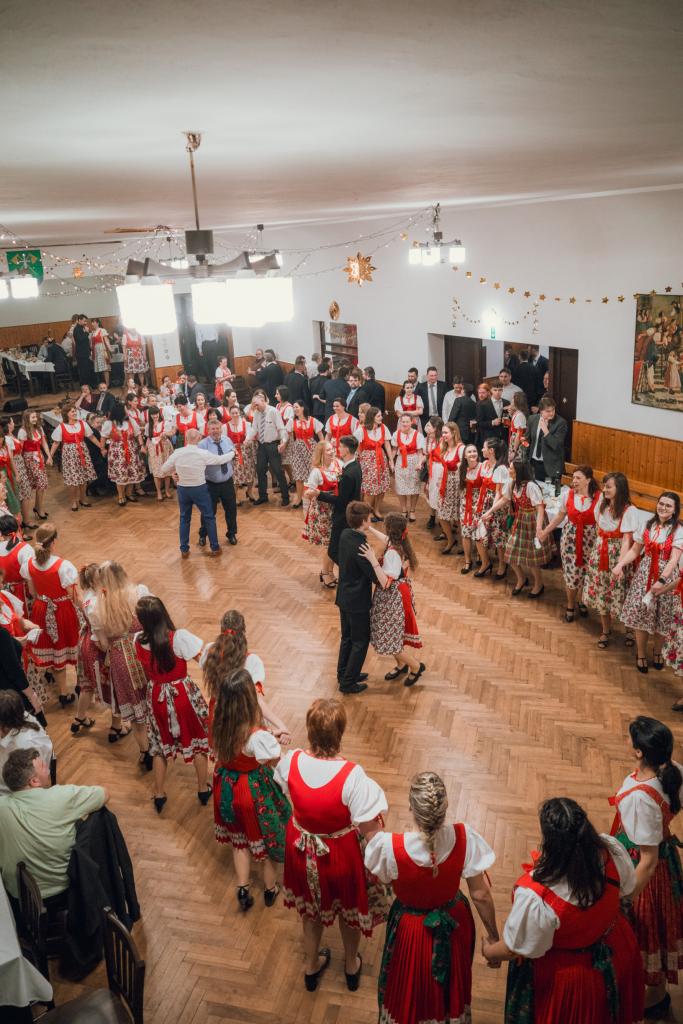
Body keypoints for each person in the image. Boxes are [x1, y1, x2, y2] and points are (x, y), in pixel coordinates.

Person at [482, 796, 643, 1024]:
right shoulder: (610, 851)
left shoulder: (539, 895)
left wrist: (488, 951)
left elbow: (517, 948)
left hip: (571, 979)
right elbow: (626, 888)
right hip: (615, 950)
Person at [275, 698, 388, 990]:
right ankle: (351, 966)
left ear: (310, 730)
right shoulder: (352, 775)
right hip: (339, 854)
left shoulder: (291, 761)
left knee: (310, 912)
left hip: (301, 850)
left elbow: (285, 788)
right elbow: (369, 828)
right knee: (349, 913)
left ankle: (311, 967)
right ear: (340, 732)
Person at [367, 771, 498, 1024]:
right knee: (451, 984)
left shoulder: (389, 847)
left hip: (411, 928)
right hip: (454, 922)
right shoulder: (464, 836)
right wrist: (493, 937)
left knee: (410, 985)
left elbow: (385, 880)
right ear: (445, 808)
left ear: (411, 808)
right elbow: (481, 895)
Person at [609, 716, 683, 1020]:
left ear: (639, 752)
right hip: (665, 862)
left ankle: (652, 998)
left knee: (645, 928)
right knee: (660, 928)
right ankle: (656, 993)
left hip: (642, 869)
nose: (627, 740)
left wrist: (624, 898)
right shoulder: (673, 770)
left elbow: (648, 860)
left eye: (630, 738)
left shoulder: (640, 798)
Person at [210, 667, 291, 911]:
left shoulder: (219, 723)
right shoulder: (256, 736)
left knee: (240, 841)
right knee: (265, 842)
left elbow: (244, 743)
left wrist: (271, 734)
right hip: (252, 789)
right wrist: (278, 741)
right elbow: (276, 761)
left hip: (227, 786)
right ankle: (270, 889)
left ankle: (243, 887)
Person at [0, 747, 108, 911]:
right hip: (62, 894)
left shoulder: (2, 807)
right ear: (34, 781)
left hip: (17, 899)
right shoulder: (61, 796)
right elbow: (104, 794)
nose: (49, 769)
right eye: (44, 766)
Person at [133, 595, 210, 812]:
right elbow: (203, 660)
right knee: (197, 740)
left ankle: (159, 793)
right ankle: (203, 788)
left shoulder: (138, 640)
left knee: (159, 747)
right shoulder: (178, 637)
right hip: (182, 695)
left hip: (156, 695)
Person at [86, 562, 152, 766]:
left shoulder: (97, 606)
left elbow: (103, 644)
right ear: (123, 573)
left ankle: (146, 752)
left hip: (119, 658)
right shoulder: (139, 593)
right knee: (151, 697)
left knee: (134, 708)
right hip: (144, 650)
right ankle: (160, 741)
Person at [615, 492, 683, 673]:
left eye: (668, 505)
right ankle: (641, 654)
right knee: (642, 615)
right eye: (661, 503)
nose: (663, 508)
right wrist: (620, 564)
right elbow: (635, 550)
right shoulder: (647, 524)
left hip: (665, 577)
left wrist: (661, 580)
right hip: (644, 575)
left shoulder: (678, 530)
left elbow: (673, 560)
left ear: (675, 510)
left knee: (663, 617)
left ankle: (658, 652)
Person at [201, 608, 291, 742]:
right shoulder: (252, 662)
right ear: (243, 632)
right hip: (242, 717)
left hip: (218, 712)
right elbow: (256, 700)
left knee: (223, 748)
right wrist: (281, 725)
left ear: (221, 630)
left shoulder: (210, 651)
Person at [21, 523, 79, 704]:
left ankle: (60, 688)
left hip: (41, 609)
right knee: (66, 647)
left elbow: (32, 592)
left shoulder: (29, 564)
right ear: (53, 542)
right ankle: (72, 689)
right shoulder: (63, 566)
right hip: (61, 610)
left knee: (52, 649)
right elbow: (73, 595)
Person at [367, 513, 425, 685]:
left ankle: (415, 666)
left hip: (393, 596)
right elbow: (384, 538)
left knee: (389, 637)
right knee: (393, 633)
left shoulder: (392, 553)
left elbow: (386, 582)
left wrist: (372, 559)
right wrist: (369, 528)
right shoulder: (398, 544)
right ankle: (401, 665)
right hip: (397, 593)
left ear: (390, 530)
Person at [583, 472, 638, 650]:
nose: (604, 489)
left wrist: (620, 565)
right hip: (600, 553)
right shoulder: (602, 504)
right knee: (602, 592)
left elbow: (627, 540)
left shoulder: (629, 510)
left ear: (619, 488)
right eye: (604, 486)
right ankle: (606, 630)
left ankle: (629, 630)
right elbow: (598, 528)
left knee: (623, 594)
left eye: (608, 487)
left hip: (618, 555)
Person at [539, 465, 601, 622]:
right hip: (570, 541)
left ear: (588, 480)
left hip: (591, 541)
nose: (574, 481)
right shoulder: (568, 495)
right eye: (573, 478)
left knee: (587, 574)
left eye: (578, 478)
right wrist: (545, 531)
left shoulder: (599, 498)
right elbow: (559, 516)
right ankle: (570, 604)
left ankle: (582, 601)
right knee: (572, 575)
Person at [161, 428, 234, 558]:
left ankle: (184, 550)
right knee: (209, 517)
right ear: (199, 439)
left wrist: (173, 473)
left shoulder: (178, 452)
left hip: (183, 490)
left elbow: (163, 468)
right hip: (199, 489)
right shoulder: (202, 453)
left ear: (186, 439)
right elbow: (220, 460)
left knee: (184, 518)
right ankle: (215, 548)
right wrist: (233, 452)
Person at [335, 501, 381, 694]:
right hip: (357, 601)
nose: (371, 520)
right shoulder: (362, 546)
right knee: (360, 641)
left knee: (347, 638)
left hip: (344, 596)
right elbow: (375, 577)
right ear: (363, 521)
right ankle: (348, 682)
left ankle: (344, 673)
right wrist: (374, 559)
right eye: (369, 518)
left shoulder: (346, 534)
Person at [309, 435, 362, 568]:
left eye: (340, 446)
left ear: (347, 450)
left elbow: (341, 500)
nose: (337, 449)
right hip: (345, 512)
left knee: (333, 550)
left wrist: (319, 494)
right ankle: (331, 572)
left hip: (342, 515)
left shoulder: (348, 473)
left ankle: (349, 571)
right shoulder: (355, 466)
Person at [504, 459, 554, 598]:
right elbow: (505, 499)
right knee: (510, 553)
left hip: (533, 521)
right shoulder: (512, 483)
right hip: (521, 520)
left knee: (532, 558)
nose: (509, 470)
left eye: (511, 468)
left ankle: (539, 584)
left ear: (518, 471)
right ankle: (521, 579)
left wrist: (538, 529)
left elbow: (540, 508)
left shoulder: (531, 486)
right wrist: (489, 512)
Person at [302, 441, 342, 586]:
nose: (332, 452)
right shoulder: (316, 472)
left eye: (332, 449)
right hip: (322, 512)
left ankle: (330, 571)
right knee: (330, 544)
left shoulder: (338, 464)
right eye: (328, 450)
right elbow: (308, 492)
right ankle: (325, 572)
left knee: (334, 543)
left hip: (336, 509)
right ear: (321, 453)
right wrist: (310, 493)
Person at [49, 402, 99, 512]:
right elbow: (56, 443)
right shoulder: (61, 427)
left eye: (75, 411)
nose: (75, 413)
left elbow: (91, 437)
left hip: (82, 453)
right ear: (66, 414)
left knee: (83, 478)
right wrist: (50, 456)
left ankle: (83, 499)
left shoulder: (82, 424)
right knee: (73, 480)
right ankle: (73, 501)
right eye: (72, 411)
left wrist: (101, 447)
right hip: (69, 456)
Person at [0, 691, 53, 795]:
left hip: (12, 793)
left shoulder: (25, 745)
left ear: (4, 724)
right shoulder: (17, 713)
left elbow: (30, 784)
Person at [198, 415, 238, 547]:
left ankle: (231, 534)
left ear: (221, 429)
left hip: (227, 482)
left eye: (217, 428)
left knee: (231, 510)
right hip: (210, 484)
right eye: (212, 429)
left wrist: (235, 458)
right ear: (208, 430)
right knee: (208, 511)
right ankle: (203, 535)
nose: (215, 431)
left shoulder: (227, 440)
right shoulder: (202, 445)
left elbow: (233, 454)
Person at [474, 437, 510, 579]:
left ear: (491, 451)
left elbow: (499, 493)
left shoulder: (501, 468)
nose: (482, 450)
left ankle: (502, 565)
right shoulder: (484, 464)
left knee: (498, 537)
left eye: (484, 447)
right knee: (478, 533)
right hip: (485, 501)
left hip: (496, 505)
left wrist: (491, 510)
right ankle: (485, 563)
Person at [248, 390, 290, 507]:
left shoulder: (273, 411)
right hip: (261, 445)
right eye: (254, 405)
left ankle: (285, 497)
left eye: (257, 404)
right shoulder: (257, 413)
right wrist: (247, 439)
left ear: (263, 401)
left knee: (278, 471)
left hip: (273, 445)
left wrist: (283, 442)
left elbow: (281, 428)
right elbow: (254, 429)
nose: (255, 407)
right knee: (260, 470)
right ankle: (263, 496)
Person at [100, 403, 146, 507]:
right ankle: (121, 495)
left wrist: (141, 445)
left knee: (131, 472)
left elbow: (138, 434)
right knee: (120, 473)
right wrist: (102, 449)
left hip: (131, 450)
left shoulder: (130, 421)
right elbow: (103, 437)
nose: (127, 412)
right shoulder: (109, 423)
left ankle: (129, 493)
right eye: (125, 410)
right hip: (117, 452)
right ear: (119, 412)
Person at [355, 406, 393, 522]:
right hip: (368, 461)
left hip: (381, 459)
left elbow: (387, 444)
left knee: (382, 487)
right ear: (372, 417)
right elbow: (356, 447)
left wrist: (391, 460)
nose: (381, 417)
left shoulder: (383, 428)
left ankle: (376, 509)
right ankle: (368, 512)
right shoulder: (361, 430)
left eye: (381, 415)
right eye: (379, 416)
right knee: (369, 488)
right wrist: (360, 459)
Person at [287, 401, 324, 509]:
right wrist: (285, 445)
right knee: (299, 476)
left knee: (313, 474)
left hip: (312, 449)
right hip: (298, 450)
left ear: (303, 408)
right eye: (294, 407)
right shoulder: (292, 422)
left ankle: (314, 498)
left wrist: (322, 450)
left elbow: (321, 437)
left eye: (297, 407)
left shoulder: (312, 420)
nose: (295, 409)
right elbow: (288, 437)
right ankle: (299, 499)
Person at [436, 421, 465, 555]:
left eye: (446, 432)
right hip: (446, 484)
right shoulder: (445, 447)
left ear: (454, 433)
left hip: (457, 485)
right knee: (442, 514)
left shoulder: (461, 448)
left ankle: (462, 543)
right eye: (442, 432)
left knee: (458, 516)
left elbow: (465, 467)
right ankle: (450, 539)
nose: (443, 435)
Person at [16, 411, 49, 527]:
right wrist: (20, 465)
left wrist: (49, 456)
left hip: (39, 457)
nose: (35, 419)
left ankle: (38, 507)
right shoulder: (23, 431)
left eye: (36, 417)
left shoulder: (39, 428)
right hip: (29, 459)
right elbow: (19, 449)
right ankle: (36, 510)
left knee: (41, 484)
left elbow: (44, 443)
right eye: (33, 417)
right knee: (40, 482)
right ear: (27, 418)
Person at [391, 413, 426, 520]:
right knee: (401, 487)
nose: (405, 424)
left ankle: (412, 510)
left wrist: (419, 463)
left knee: (414, 487)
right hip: (401, 462)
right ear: (400, 422)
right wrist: (391, 461)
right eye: (403, 421)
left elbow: (420, 452)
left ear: (412, 422)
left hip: (413, 462)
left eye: (407, 421)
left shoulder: (418, 435)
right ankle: (404, 510)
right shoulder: (396, 434)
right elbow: (394, 450)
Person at [526, 397, 567, 483]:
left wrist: (546, 431)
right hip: (533, 464)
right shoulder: (532, 419)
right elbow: (527, 440)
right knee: (534, 488)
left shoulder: (561, 423)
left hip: (550, 467)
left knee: (550, 490)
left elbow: (556, 445)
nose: (551, 413)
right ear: (541, 411)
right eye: (548, 411)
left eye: (553, 410)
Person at [0, 514, 33, 613]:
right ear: (18, 528)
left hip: (3, 592)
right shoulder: (25, 549)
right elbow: (31, 575)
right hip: (22, 593)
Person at [458, 443, 483, 574]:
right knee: (465, 532)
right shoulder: (461, 468)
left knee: (478, 532)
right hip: (465, 503)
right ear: (465, 456)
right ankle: (468, 560)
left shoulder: (483, 467)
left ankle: (480, 555)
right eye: (469, 452)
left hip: (479, 503)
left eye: (474, 451)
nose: (472, 453)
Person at [226, 403, 257, 504]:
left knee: (250, 473)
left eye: (236, 413)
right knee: (235, 475)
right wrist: (232, 449)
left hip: (245, 451)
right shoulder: (225, 426)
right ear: (230, 414)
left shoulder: (246, 424)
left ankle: (250, 491)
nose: (235, 415)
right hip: (233, 452)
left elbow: (250, 435)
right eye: (233, 413)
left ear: (239, 413)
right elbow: (225, 440)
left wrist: (247, 440)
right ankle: (234, 496)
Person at [145, 404, 174, 501]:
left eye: (156, 413)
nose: (155, 416)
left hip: (165, 447)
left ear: (159, 413)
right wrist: (145, 448)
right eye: (153, 414)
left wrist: (164, 434)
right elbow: (148, 438)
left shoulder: (165, 423)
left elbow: (170, 433)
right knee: (156, 470)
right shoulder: (148, 426)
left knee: (167, 470)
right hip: (154, 449)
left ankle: (167, 490)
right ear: (150, 415)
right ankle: (158, 492)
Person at [423, 416, 443, 530]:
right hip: (430, 469)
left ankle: (441, 519)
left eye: (429, 425)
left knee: (439, 493)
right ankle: (432, 516)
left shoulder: (442, 441)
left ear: (435, 428)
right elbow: (426, 455)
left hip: (440, 470)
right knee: (431, 492)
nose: (426, 427)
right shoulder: (427, 439)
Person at [476, 381, 510, 448]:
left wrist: (508, 420)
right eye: (495, 390)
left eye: (500, 390)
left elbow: (509, 420)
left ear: (502, 390)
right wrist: (492, 422)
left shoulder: (507, 402)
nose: (497, 392)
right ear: (491, 390)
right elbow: (479, 423)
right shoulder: (482, 404)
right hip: (489, 438)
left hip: (504, 437)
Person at [442, 378, 476, 442]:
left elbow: (453, 416)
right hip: (470, 432)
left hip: (459, 430)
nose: (459, 390)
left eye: (461, 388)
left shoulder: (458, 400)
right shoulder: (474, 403)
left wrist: (448, 426)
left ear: (463, 391)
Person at [73, 313, 95, 386]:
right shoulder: (76, 329)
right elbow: (80, 340)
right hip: (81, 354)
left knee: (87, 370)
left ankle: (87, 385)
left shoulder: (81, 328)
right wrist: (86, 332)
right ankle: (84, 386)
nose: (85, 323)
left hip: (85, 353)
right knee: (83, 371)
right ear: (79, 320)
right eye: (84, 321)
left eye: (86, 321)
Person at [507, 391, 529, 460]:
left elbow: (519, 433)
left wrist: (514, 451)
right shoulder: (517, 413)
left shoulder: (520, 415)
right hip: (513, 441)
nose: (511, 400)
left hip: (517, 444)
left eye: (512, 398)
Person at [89, 318, 111, 385]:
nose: (92, 323)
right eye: (92, 322)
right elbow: (91, 344)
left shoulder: (102, 330)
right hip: (96, 351)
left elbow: (106, 340)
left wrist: (110, 349)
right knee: (99, 368)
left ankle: (107, 384)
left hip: (102, 349)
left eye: (94, 322)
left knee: (105, 368)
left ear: (98, 323)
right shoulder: (92, 332)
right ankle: (101, 384)